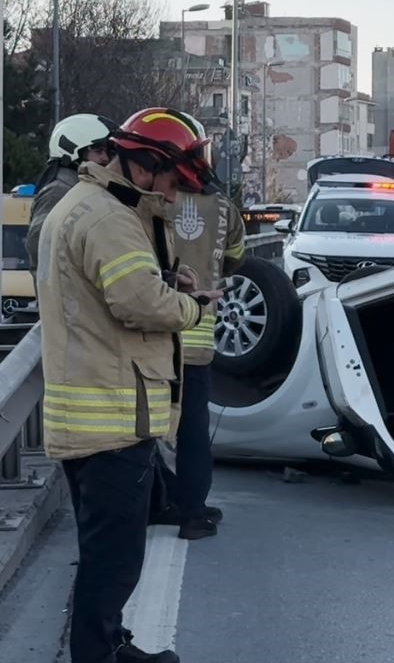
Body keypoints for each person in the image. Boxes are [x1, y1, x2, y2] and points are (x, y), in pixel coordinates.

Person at [38, 107, 223, 663]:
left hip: (104, 409)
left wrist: (166, 279)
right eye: (171, 182)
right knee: (114, 559)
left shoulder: (98, 208)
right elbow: (135, 303)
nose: (172, 195)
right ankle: (97, 653)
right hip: (110, 419)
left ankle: (109, 644)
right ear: (145, 166)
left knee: (109, 552)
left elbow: (111, 289)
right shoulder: (107, 218)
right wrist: (189, 305)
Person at [150, 111, 246, 541]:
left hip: (152, 331)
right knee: (192, 431)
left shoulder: (152, 199)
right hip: (198, 337)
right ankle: (192, 513)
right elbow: (237, 256)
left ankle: (156, 501)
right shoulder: (223, 206)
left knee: (143, 428)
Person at [27, 113, 116, 273]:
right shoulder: (57, 191)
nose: (105, 158)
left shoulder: (84, 188)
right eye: (98, 150)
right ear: (71, 149)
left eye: (108, 152)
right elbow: (39, 247)